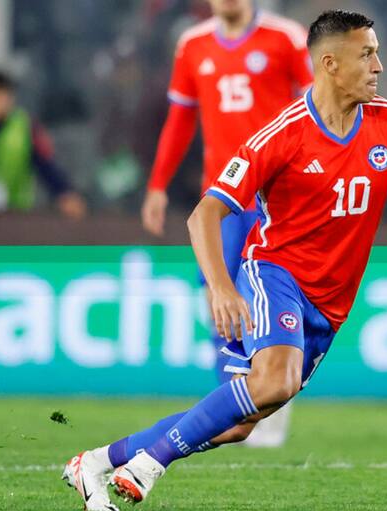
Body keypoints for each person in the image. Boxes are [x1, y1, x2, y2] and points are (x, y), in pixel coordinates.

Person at [62, 10, 387, 511]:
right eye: (367, 54)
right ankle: (149, 465)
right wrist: (221, 285)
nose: (379, 65)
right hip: (274, 274)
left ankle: (96, 461)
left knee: (242, 421)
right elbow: (205, 214)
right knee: (275, 382)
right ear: (330, 63)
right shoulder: (282, 135)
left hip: (330, 305)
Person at [140, 0, 314, 447]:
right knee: (219, 297)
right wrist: (158, 184)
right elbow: (180, 119)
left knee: (271, 294)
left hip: (276, 195)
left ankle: (271, 400)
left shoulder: (285, 38)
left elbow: (321, 105)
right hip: (222, 198)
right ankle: (231, 402)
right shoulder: (192, 45)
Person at [0, 70, 86, 217]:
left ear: (10, 98)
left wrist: (66, 193)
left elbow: (47, 167)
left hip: (17, 217)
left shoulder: (26, 129)